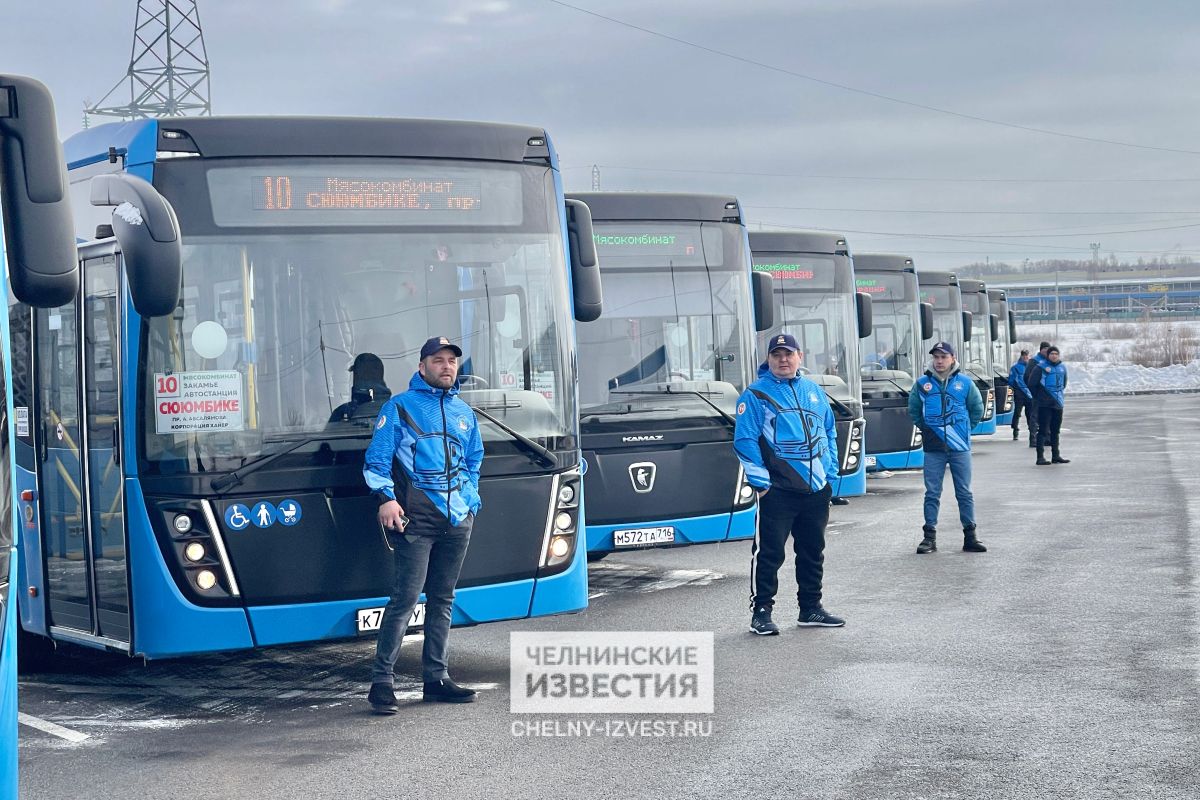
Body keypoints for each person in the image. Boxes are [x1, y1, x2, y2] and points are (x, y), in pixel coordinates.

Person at [363, 336, 484, 714]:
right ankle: (382, 683)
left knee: (443, 599)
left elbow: (474, 461)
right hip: (415, 519)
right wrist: (386, 499)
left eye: (451, 361)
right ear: (421, 367)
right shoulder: (399, 407)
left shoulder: (465, 413)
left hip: (457, 519)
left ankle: (436, 679)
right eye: (438, 360)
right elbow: (376, 460)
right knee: (405, 599)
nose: (446, 366)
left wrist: (470, 504)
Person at [735, 333, 844, 636]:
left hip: (815, 490)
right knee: (769, 554)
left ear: (800, 357)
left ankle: (810, 608)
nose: (783, 360)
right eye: (777, 355)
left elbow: (829, 432)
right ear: (768, 359)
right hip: (778, 491)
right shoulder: (756, 395)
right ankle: (761, 612)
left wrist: (830, 474)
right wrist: (761, 483)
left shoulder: (814, 391)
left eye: (788, 354)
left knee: (812, 551)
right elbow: (744, 441)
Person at [908, 341, 987, 555]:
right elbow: (914, 410)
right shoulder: (922, 384)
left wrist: (964, 431)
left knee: (964, 492)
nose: (939, 361)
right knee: (932, 492)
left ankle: (970, 536)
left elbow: (976, 409)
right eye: (936, 357)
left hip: (959, 447)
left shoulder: (965, 383)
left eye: (944, 357)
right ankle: (929, 538)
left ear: (953, 358)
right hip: (934, 448)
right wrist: (928, 429)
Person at [1027, 345, 1069, 466]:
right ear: (1048, 355)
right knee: (1043, 431)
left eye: (1056, 354)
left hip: (1058, 403)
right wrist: (1040, 397)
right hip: (1044, 404)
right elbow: (1032, 384)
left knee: (1055, 431)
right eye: (1052, 354)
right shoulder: (1040, 367)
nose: (1054, 356)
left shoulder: (1062, 368)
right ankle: (1040, 457)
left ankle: (1056, 455)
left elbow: (1064, 383)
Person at [329, 352, 392, 425]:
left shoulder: (342, 412)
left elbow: (326, 435)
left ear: (357, 376)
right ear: (381, 375)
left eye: (355, 373)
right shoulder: (397, 410)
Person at [1022, 341, 1052, 448]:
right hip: (1038, 393)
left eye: (1048, 349)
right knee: (1035, 415)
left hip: (1048, 394)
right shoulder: (1034, 361)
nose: (1046, 351)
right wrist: (1033, 390)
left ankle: (1047, 438)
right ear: (1041, 350)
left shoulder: (1049, 361)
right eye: (1045, 349)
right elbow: (1026, 377)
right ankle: (1033, 438)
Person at [1008, 349, 1034, 441]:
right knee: (1017, 413)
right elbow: (1011, 380)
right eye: (1024, 356)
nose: (1025, 357)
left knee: (1030, 414)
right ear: (1021, 356)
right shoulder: (1015, 368)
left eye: (1027, 356)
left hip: (1029, 394)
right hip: (1019, 393)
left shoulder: (1032, 367)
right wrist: (1016, 388)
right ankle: (1015, 430)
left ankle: (1032, 432)